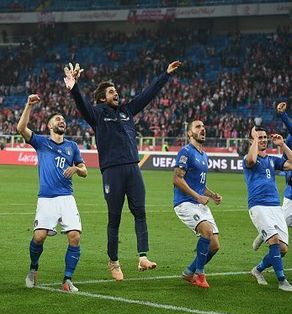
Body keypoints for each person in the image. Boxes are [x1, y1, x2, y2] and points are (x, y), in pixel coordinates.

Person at [64, 60, 182, 280]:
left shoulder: (127, 111)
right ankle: (114, 262)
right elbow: (81, 104)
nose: (116, 94)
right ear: (101, 98)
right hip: (112, 172)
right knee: (115, 217)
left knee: (140, 211)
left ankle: (143, 256)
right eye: (111, 92)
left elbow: (148, 95)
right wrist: (74, 87)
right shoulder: (97, 114)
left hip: (132, 169)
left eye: (116, 91)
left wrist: (165, 75)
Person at [17, 94, 87, 292]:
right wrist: (29, 106)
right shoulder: (41, 142)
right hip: (47, 198)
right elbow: (21, 129)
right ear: (49, 126)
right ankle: (33, 269)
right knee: (39, 237)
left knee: (75, 236)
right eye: (57, 119)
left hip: (67, 198)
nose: (62, 121)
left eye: (63, 120)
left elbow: (85, 171)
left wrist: (76, 169)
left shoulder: (72, 146)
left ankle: (67, 280)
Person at [173, 120, 221, 288]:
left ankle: (189, 272)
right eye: (198, 127)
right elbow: (177, 179)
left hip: (199, 203)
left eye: (203, 127)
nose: (202, 129)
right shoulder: (186, 152)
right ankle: (199, 274)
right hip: (184, 202)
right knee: (206, 231)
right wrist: (198, 197)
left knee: (215, 246)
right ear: (189, 133)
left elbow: (199, 184)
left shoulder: (203, 154)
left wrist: (212, 195)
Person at [244, 126, 292, 291]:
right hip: (258, 205)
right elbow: (251, 160)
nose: (263, 139)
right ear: (253, 140)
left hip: (275, 206)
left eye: (264, 137)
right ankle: (282, 281)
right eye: (259, 137)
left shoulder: (272, 160)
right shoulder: (249, 158)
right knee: (274, 241)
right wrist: (255, 140)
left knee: (283, 249)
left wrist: (283, 145)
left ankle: (257, 270)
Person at [253, 102, 291, 250]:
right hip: (291, 190)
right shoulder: (289, 139)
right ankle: (265, 234)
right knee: (280, 223)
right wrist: (282, 114)